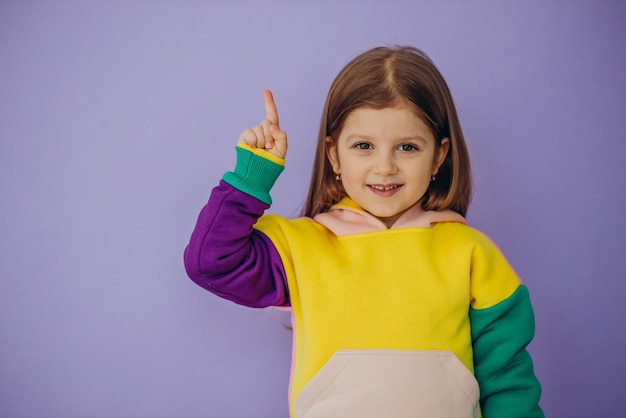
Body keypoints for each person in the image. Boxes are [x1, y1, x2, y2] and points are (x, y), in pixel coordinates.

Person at [184, 46, 544, 418]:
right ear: (334, 155)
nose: (384, 167)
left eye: (407, 147)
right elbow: (211, 263)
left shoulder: (472, 253)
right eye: (363, 146)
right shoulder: (302, 247)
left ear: (438, 155)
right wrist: (252, 173)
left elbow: (508, 383)